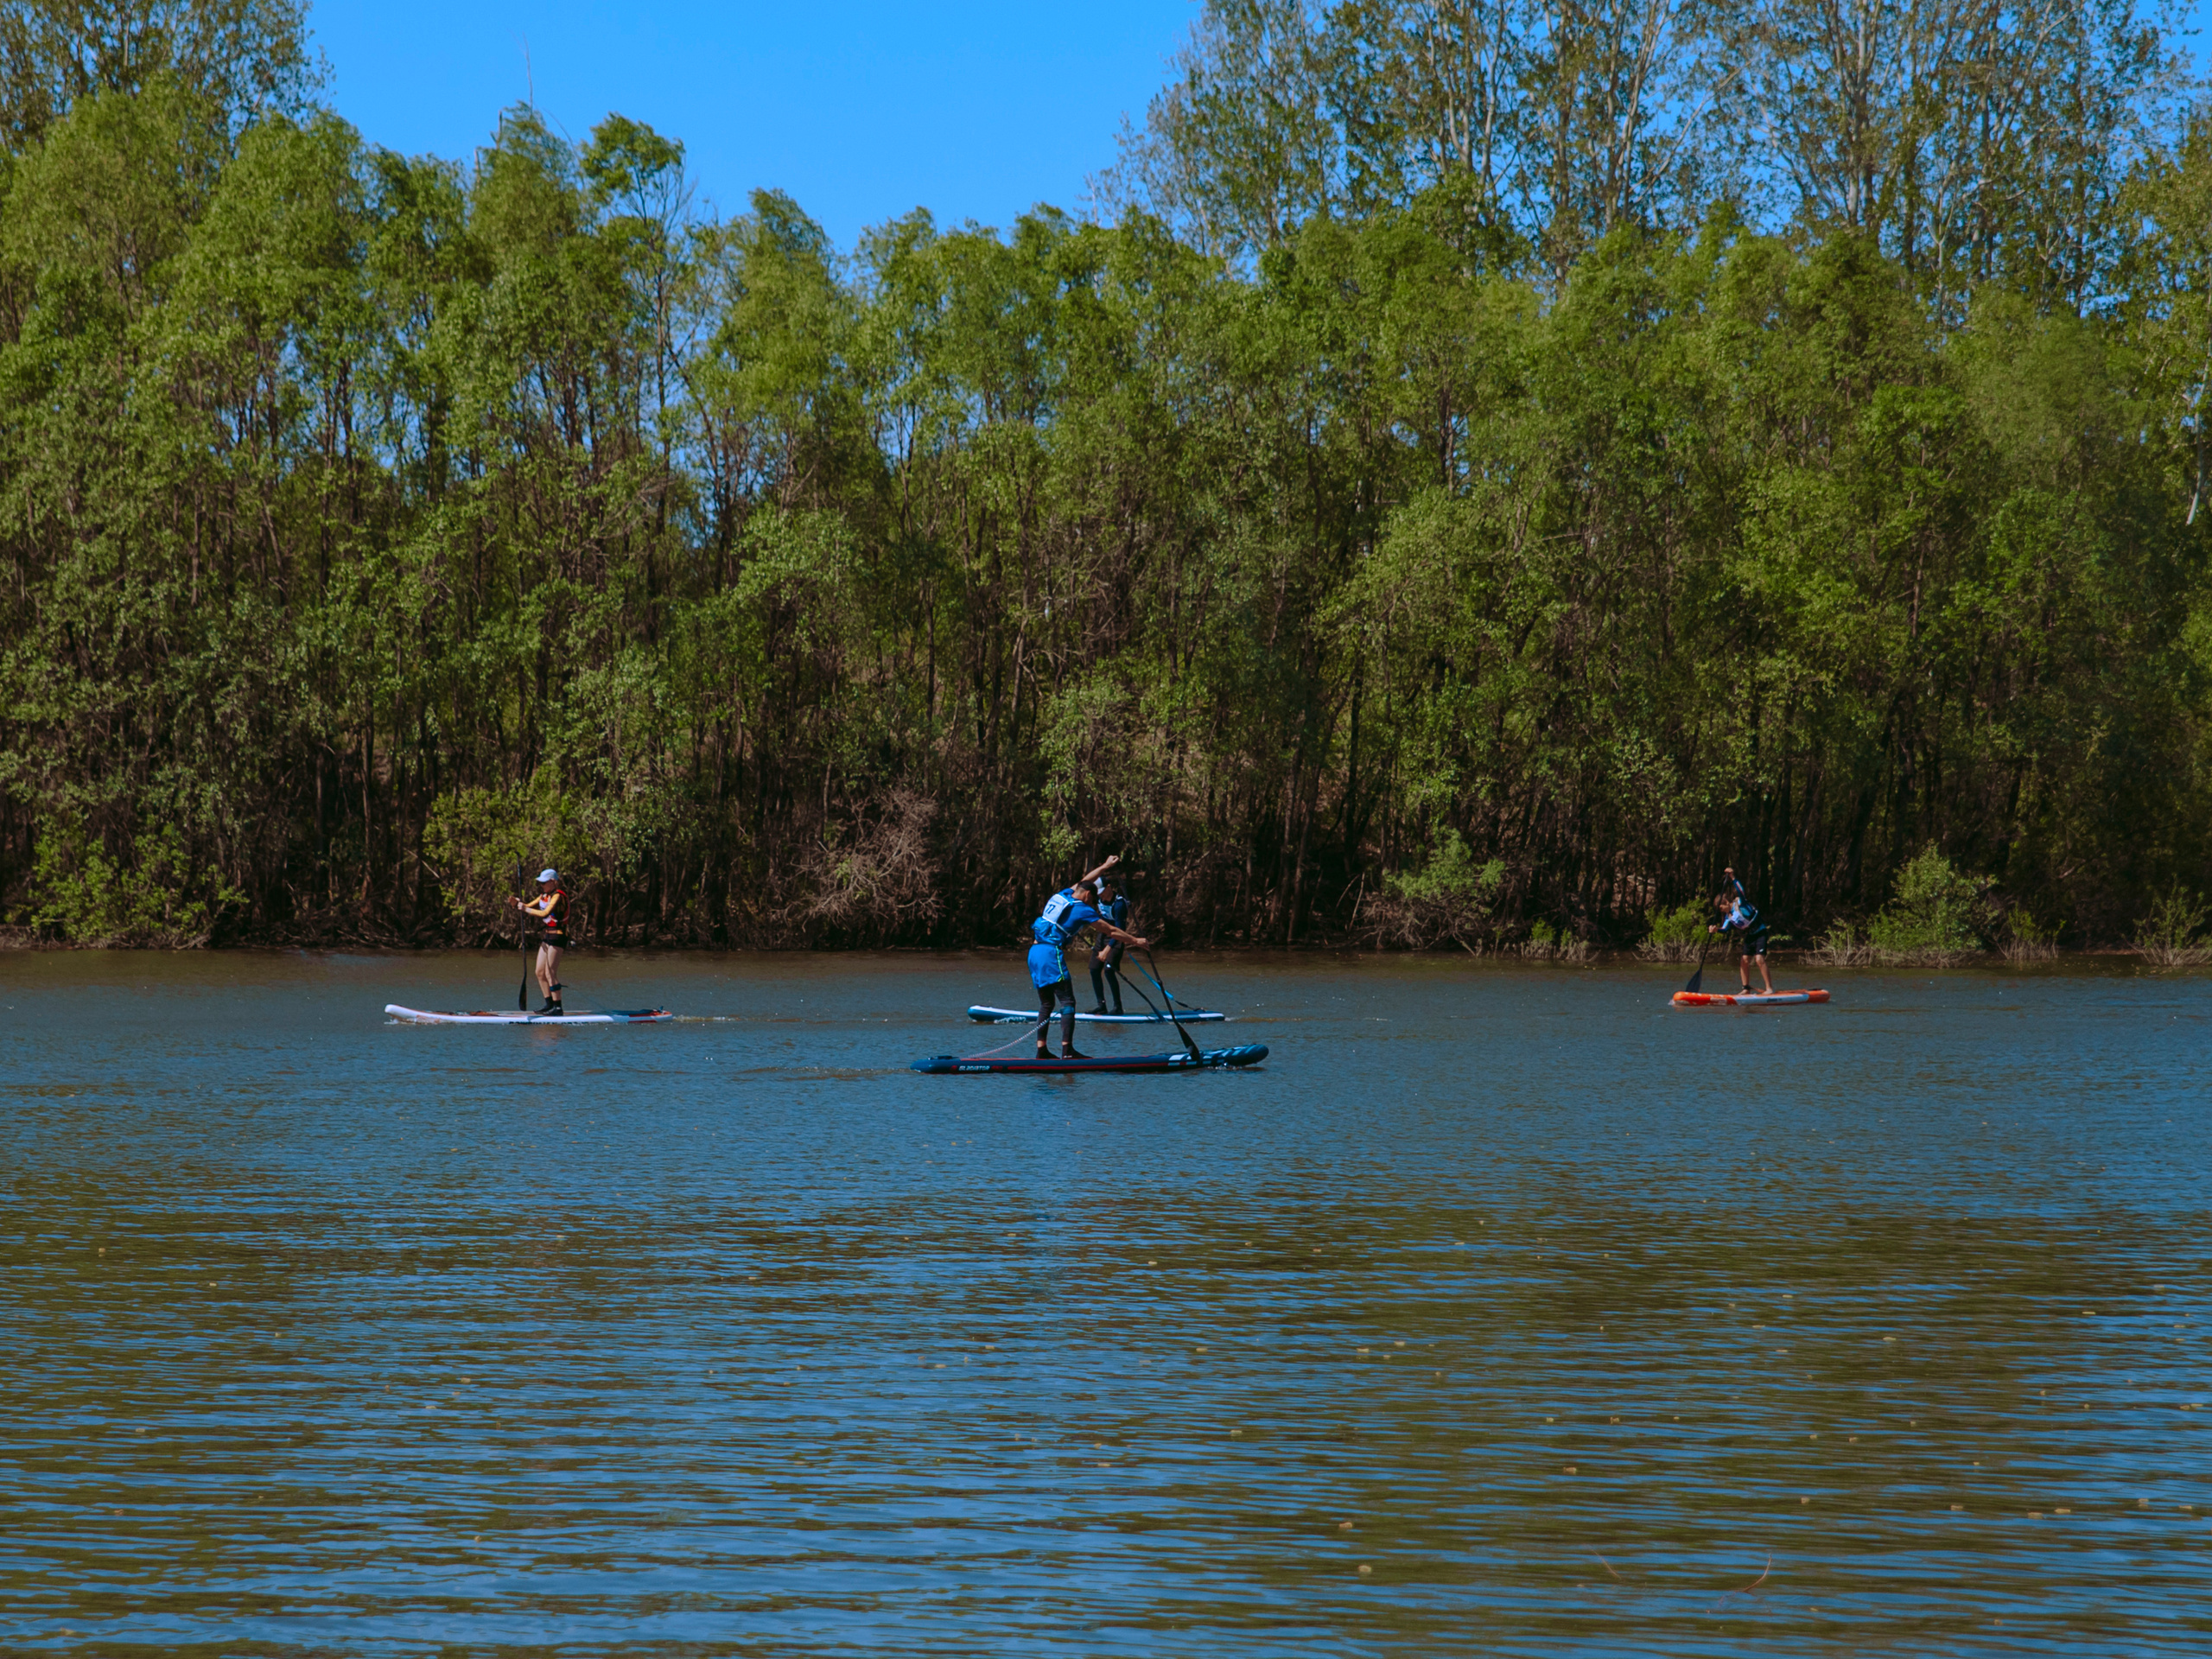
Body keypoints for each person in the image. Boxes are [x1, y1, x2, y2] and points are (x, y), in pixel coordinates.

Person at [1029, 855, 1149, 1058]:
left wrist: (1104, 865)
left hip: (1033, 953)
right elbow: (1111, 930)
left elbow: (1086, 880)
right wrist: (1137, 941)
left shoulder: (1062, 895)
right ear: (1087, 896)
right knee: (1067, 1002)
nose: (1093, 904)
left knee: (1047, 1004)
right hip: (1050, 954)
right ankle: (1068, 1051)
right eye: (1093, 900)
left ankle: (1042, 1051)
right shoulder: (1081, 909)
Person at [510, 868, 570, 1014]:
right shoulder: (543, 895)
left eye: (544, 883)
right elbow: (528, 906)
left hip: (558, 936)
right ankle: (549, 1004)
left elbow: (545, 913)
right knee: (539, 972)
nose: (542, 885)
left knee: (550, 973)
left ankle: (558, 1007)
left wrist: (524, 909)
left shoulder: (558, 896)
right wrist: (516, 904)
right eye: (541, 883)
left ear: (553, 882)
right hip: (547, 936)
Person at [1709, 867, 1774, 995]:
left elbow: (1741, 890)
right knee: (1744, 960)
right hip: (1750, 935)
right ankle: (1746, 988)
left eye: (1721, 908)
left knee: (1759, 960)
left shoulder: (1740, 904)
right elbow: (1725, 929)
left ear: (1726, 902)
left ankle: (1769, 989)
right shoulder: (1729, 917)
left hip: (1760, 932)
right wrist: (1716, 930)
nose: (1721, 911)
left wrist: (1733, 877)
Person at [1090, 872, 1132, 1014]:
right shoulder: (1099, 899)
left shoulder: (1119, 904)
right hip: (1102, 936)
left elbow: (1120, 930)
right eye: (1098, 893)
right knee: (1094, 969)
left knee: (1109, 971)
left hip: (1117, 939)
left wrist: (1107, 950)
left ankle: (1117, 1007)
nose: (1100, 895)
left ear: (1109, 887)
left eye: (1102, 892)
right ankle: (1101, 1005)